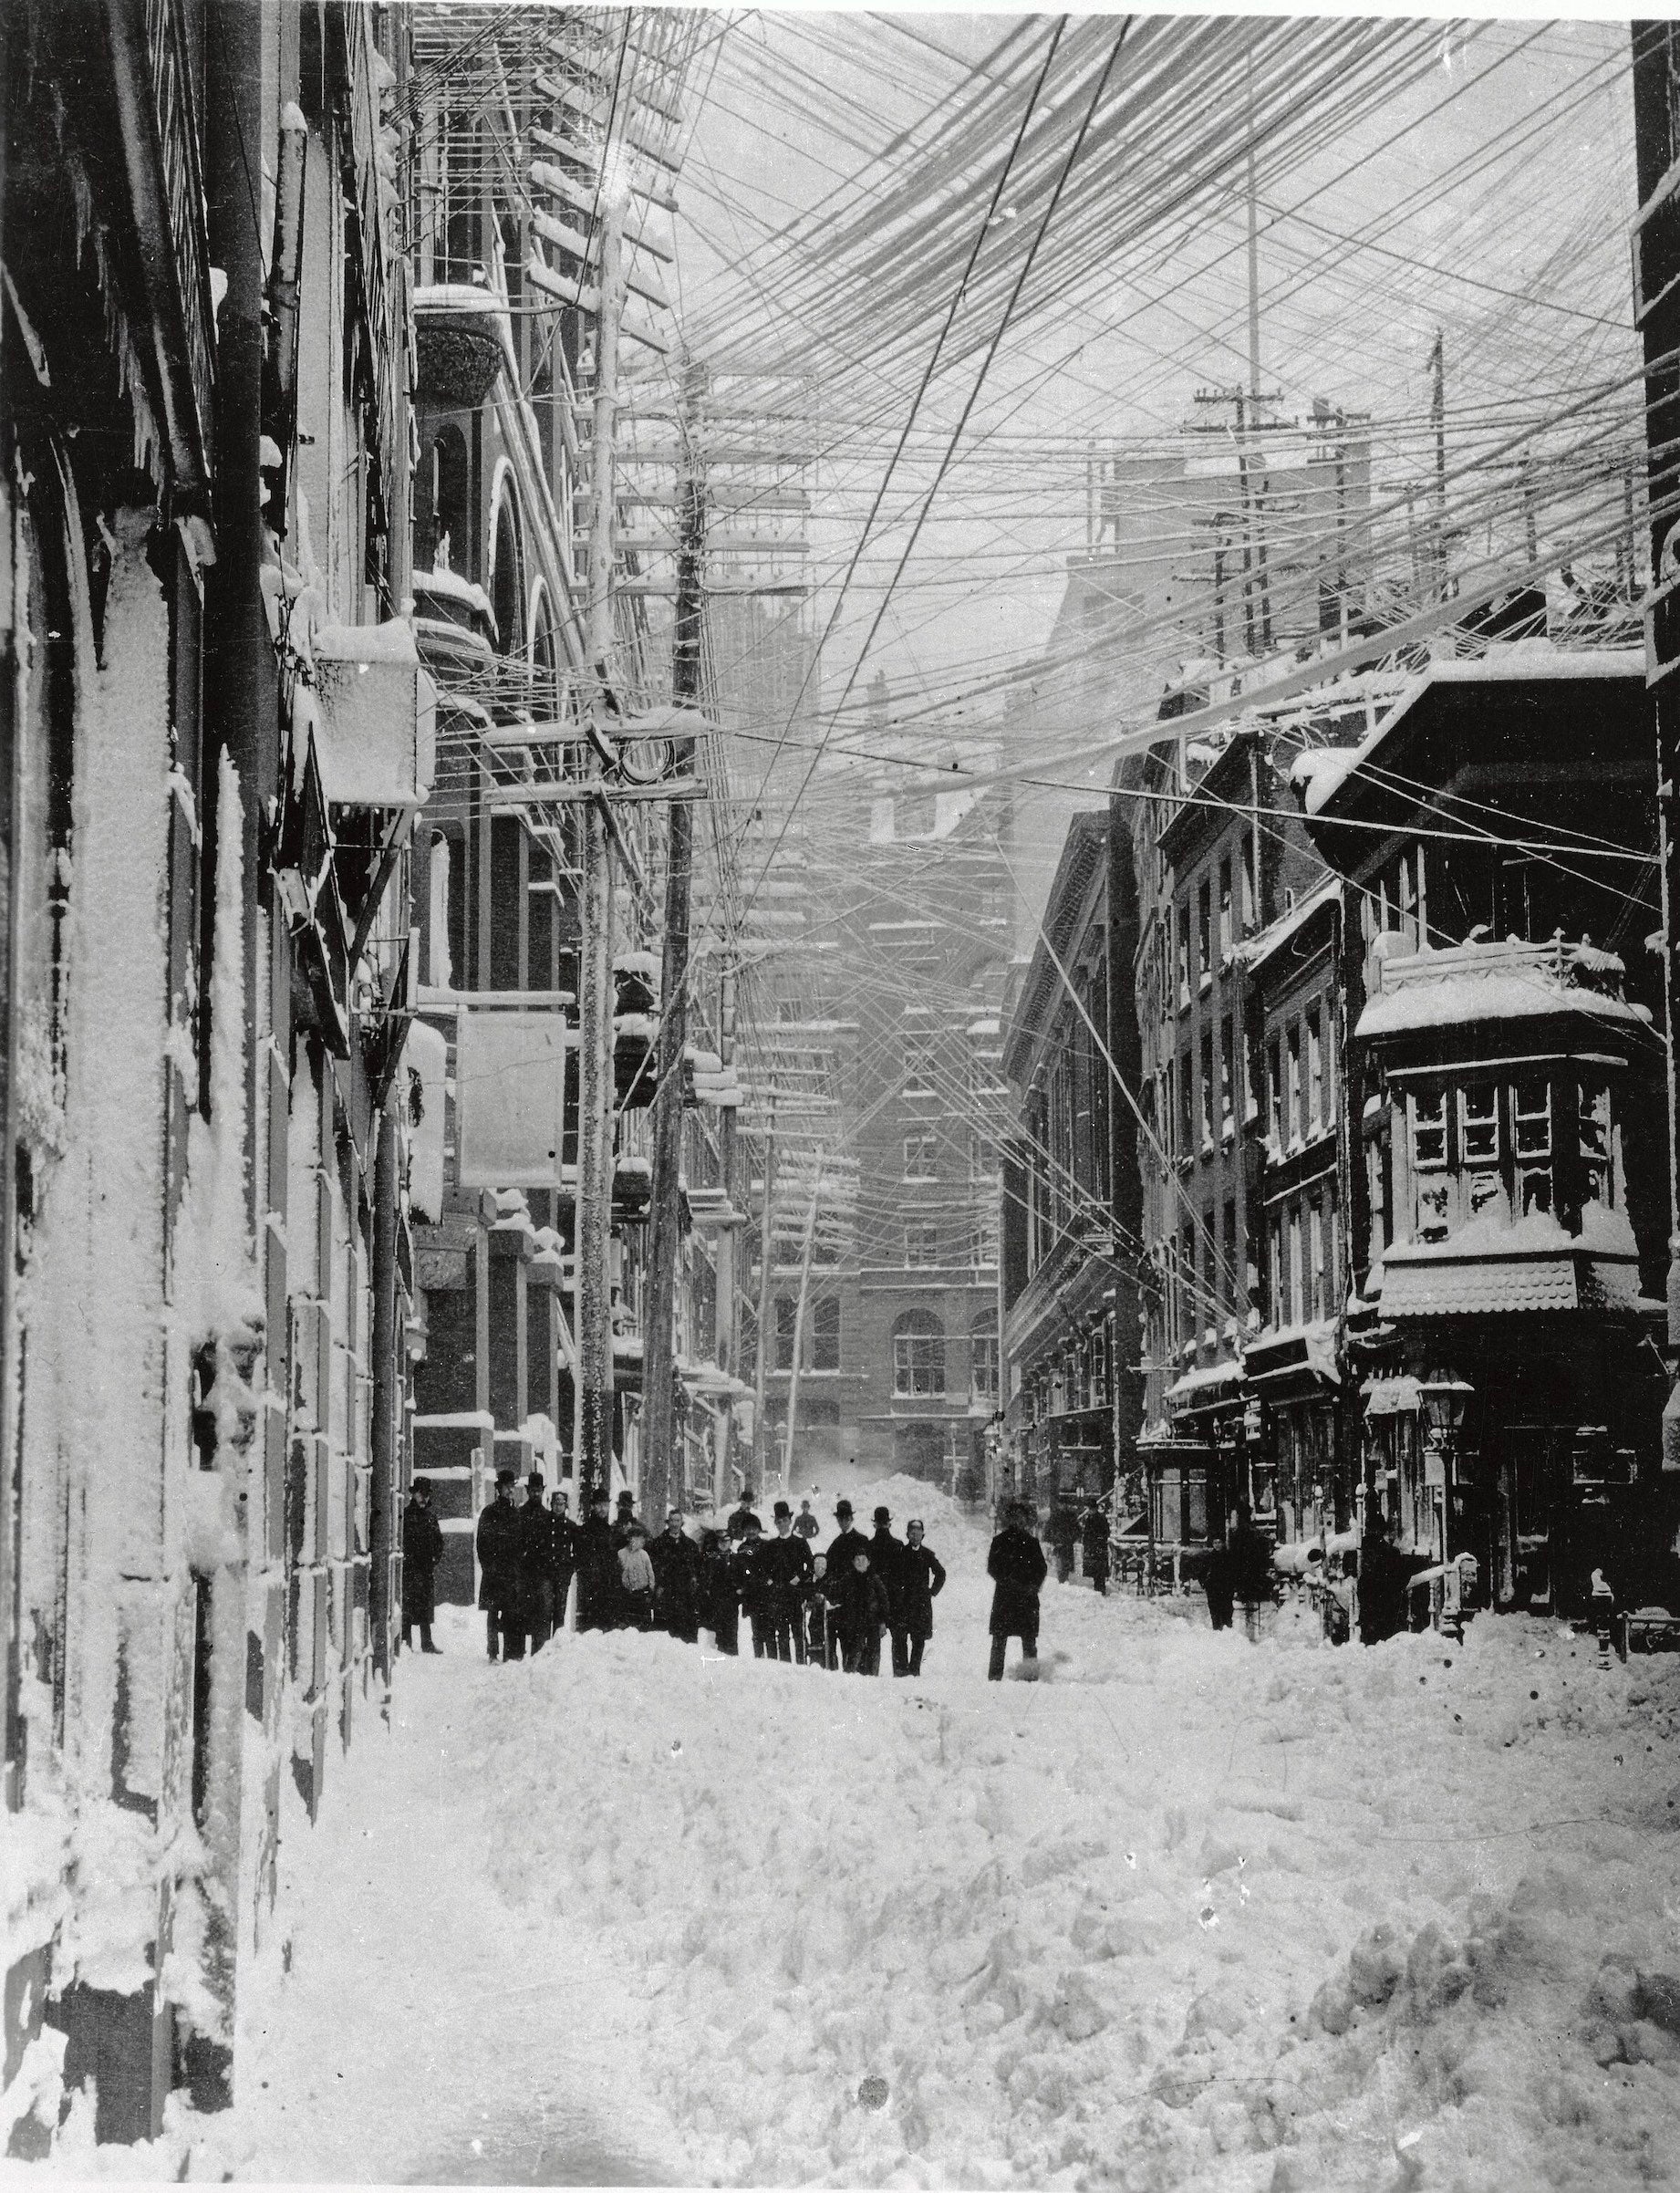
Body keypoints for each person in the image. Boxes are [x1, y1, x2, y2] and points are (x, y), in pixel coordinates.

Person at [987, 1500, 1047, 1680]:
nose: (1018, 1521)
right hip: (1005, 1598)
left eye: (1021, 1518)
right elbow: (992, 1567)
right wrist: (1007, 1582)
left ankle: (1030, 1676)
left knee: (1029, 1640)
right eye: (1014, 1518)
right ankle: (995, 1676)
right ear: (1009, 1520)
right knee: (999, 1639)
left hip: (1027, 1598)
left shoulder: (1032, 1542)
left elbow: (1041, 1568)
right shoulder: (999, 1542)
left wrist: (1033, 1587)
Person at [758, 1500, 817, 1662]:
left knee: (799, 1634)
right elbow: (762, 1569)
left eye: (785, 1520)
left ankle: (801, 1666)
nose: (782, 1524)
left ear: (790, 1521)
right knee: (782, 1634)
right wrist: (770, 1582)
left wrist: (798, 1578)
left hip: (795, 1595)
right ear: (776, 1524)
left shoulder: (800, 1543)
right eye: (779, 1521)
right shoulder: (771, 1545)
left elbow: (811, 1566)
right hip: (778, 1597)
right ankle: (786, 1666)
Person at [476, 1470, 524, 1661]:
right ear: (498, 1489)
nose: (510, 1490)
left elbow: (520, 1542)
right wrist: (489, 1566)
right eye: (506, 1487)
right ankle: (493, 1652)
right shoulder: (489, 1512)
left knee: (511, 1613)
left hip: (511, 1571)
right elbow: (482, 1543)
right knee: (493, 1613)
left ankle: (509, 1653)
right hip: (494, 1571)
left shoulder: (515, 1513)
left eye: (512, 1486)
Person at [1358, 1509, 1418, 1646]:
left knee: (1369, 1643)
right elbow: (1401, 1578)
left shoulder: (1364, 1547)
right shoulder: (1390, 1551)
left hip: (1370, 1603)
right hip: (1386, 1604)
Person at [821, 1500, 870, 1669]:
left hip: (857, 1601)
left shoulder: (862, 1541)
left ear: (851, 1519)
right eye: (840, 1519)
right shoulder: (835, 1544)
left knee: (857, 1645)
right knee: (844, 1643)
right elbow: (828, 1572)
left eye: (846, 1518)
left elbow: (867, 1572)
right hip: (841, 1603)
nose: (843, 1522)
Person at [401, 1477, 444, 1654]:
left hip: (425, 1568)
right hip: (410, 1569)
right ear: (413, 1494)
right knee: (408, 1606)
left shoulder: (431, 1516)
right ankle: (406, 1642)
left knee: (426, 1607)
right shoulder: (405, 1515)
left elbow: (439, 1541)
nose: (423, 1498)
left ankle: (427, 1643)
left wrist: (435, 1558)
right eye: (420, 1494)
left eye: (426, 1495)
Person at [518, 1471, 560, 1652]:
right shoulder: (519, 1514)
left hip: (543, 1573)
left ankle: (539, 1653)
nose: (536, 1494)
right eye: (533, 1490)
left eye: (539, 1491)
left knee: (542, 1615)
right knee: (520, 1614)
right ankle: (517, 1654)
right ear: (528, 1491)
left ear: (543, 1492)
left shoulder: (547, 1516)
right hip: (524, 1573)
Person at [899, 1519, 947, 1677]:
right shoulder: (901, 1553)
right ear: (907, 1535)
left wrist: (932, 1591)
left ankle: (914, 1671)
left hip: (921, 1603)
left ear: (922, 1535)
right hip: (904, 1602)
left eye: (918, 1534)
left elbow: (941, 1573)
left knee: (918, 1639)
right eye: (912, 1533)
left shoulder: (927, 1554)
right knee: (901, 1637)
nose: (915, 1536)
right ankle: (903, 1672)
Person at [869, 1506, 913, 1677]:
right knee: (899, 1641)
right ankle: (901, 1674)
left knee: (873, 1641)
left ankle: (871, 1675)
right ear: (889, 1523)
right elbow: (903, 1575)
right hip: (895, 1599)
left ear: (875, 1524)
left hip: (875, 1600)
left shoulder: (870, 1546)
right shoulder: (898, 1545)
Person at [833, 1550, 891, 1675]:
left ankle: (872, 1680)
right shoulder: (847, 1579)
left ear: (868, 1562)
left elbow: (884, 1601)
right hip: (852, 1625)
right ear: (853, 1562)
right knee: (853, 1658)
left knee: (873, 1656)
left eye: (863, 1560)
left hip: (872, 1624)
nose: (860, 1563)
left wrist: (882, 1622)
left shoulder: (875, 1580)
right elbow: (837, 1596)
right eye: (857, 1560)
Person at [649, 1511, 702, 1642]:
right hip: (665, 1594)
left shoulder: (690, 1545)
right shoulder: (658, 1544)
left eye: (677, 1521)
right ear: (668, 1522)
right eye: (672, 1520)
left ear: (681, 1523)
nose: (674, 1524)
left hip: (685, 1596)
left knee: (686, 1635)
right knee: (665, 1634)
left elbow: (697, 1570)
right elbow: (653, 1568)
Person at [1228, 1502, 1274, 1642]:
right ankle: (1251, 1634)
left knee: (1243, 1606)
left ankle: (1245, 1636)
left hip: (1241, 1573)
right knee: (1252, 1606)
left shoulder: (1235, 1534)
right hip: (1253, 1573)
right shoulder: (1255, 1534)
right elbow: (1261, 1555)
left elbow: (1233, 1555)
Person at [576, 1488, 621, 1632]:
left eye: (606, 1505)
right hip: (590, 1588)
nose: (603, 1509)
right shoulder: (584, 1531)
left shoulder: (610, 1532)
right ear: (593, 1506)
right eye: (600, 1505)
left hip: (607, 1588)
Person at [699, 1527, 739, 1654]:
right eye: (721, 1541)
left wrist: (740, 1590)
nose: (724, 1544)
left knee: (731, 1635)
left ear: (731, 1542)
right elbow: (705, 1578)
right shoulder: (711, 1559)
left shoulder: (736, 1559)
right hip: (715, 1602)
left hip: (731, 1603)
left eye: (727, 1541)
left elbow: (744, 1576)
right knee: (715, 1635)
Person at [547, 1484, 578, 1634]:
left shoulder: (571, 1526)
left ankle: (556, 1647)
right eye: (555, 1504)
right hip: (546, 1574)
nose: (558, 1507)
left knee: (560, 1613)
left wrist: (569, 1568)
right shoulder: (545, 1524)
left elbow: (576, 1551)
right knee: (545, 1612)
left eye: (561, 1504)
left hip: (562, 1575)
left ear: (566, 1505)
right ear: (551, 1504)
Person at [617, 1523, 657, 1629]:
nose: (642, 1541)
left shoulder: (644, 1555)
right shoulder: (621, 1554)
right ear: (630, 1538)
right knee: (628, 1621)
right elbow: (619, 1571)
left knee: (642, 1621)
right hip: (627, 1593)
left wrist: (651, 1588)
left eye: (643, 1539)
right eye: (638, 1538)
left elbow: (650, 1573)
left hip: (642, 1593)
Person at [1046, 1498, 1078, 1585]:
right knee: (1060, 1563)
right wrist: (1053, 1540)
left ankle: (1064, 1579)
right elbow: (1048, 1529)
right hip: (1058, 1544)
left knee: (1066, 1564)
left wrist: (1071, 1539)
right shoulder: (1055, 1516)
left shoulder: (1071, 1516)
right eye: (1062, 1504)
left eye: (1065, 1505)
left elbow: (1076, 1530)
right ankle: (1061, 1580)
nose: (1063, 1506)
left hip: (1067, 1543)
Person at [1082, 1503, 1111, 1597]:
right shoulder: (1090, 1519)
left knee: (1099, 1568)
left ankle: (1101, 1588)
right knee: (1096, 1568)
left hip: (1098, 1546)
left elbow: (1106, 1532)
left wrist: (1098, 1539)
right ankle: (1098, 1586)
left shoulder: (1100, 1519)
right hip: (1094, 1547)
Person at [612, 1488, 640, 1552]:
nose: (625, 1509)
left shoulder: (638, 1526)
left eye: (627, 1506)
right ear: (618, 1507)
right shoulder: (614, 1527)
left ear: (631, 1507)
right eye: (623, 1506)